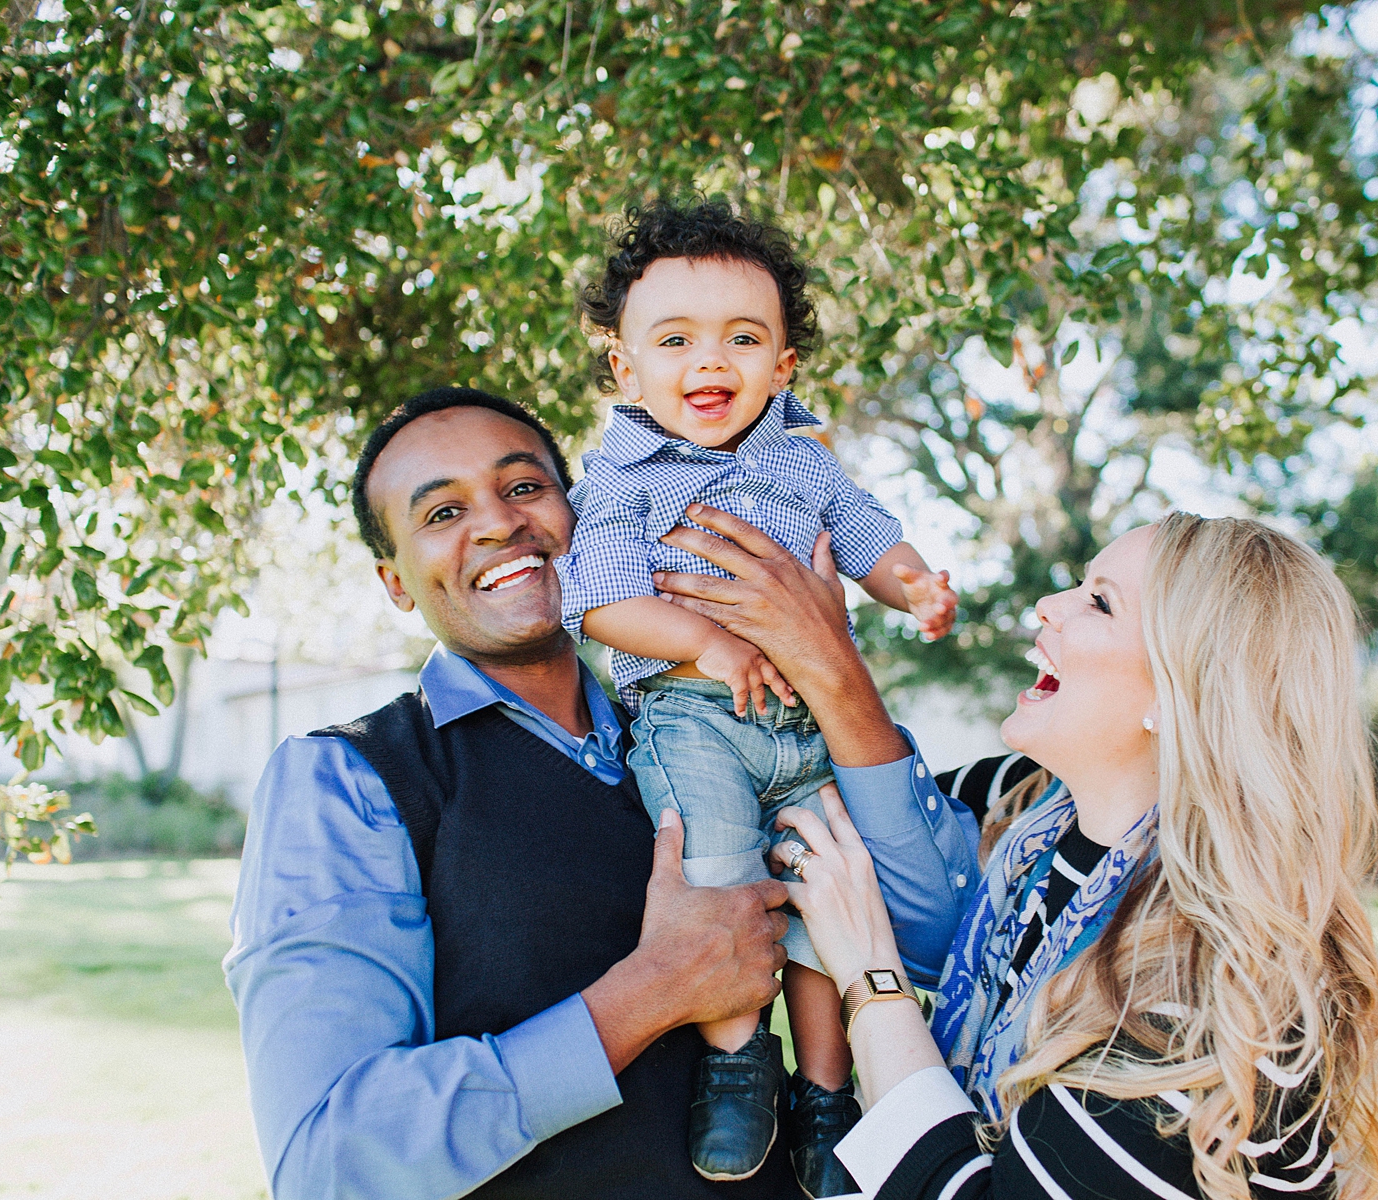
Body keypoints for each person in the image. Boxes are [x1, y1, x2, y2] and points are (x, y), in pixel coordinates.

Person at [224, 386, 978, 1200]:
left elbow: (936, 938)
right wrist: (649, 994)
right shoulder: (352, 779)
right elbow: (328, 1164)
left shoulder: (707, 732)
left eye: (524, 488)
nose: (497, 523)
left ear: (579, 515)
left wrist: (832, 664)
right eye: (441, 515)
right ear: (396, 581)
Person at [732, 514, 1378, 1199]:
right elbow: (881, 823)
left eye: (1099, 601)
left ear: (1185, 694)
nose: (1047, 607)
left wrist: (872, 978)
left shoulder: (1206, 999)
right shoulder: (1021, 813)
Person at [554, 198, 959, 1195]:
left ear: (784, 366)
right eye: (677, 339)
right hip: (698, 720)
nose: (711, 361)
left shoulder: (805, 460)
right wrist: (703, 640)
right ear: (624, 365)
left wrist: (910, 582)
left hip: (808, 726)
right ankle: (741, 1060)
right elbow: (601, 601)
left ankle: (827, 1092)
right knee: (724, 877)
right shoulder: (616, 477)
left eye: (744, 338)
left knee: (832, 896)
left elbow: (864, 535)